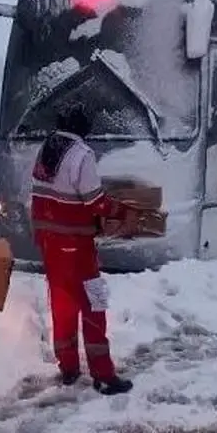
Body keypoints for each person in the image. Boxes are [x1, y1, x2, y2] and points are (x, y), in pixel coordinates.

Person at [29, 105, 137, 395]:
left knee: (62, 306)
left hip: (49, 242)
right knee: (93, 306)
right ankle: (103, 374)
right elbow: (95, 202)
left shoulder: (47, 148)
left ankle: (68, 367)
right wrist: (122, 209)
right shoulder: (82, 154)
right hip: (76, 247)